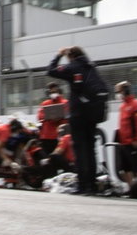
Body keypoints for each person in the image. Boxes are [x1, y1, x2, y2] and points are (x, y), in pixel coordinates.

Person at [46, 45, 109, 196]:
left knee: (79, 150)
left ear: (70, 56)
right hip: (92, 114)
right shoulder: (91, 66)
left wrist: (58, 55)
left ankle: (83, 186)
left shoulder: (72, 67)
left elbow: (50, 70)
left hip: (78, 114)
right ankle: (92, 186)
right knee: (91, 150)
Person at [113, 81, 137, 185]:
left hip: (132, 143)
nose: (118, 94)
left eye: (119, 91)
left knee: (136, 168)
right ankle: (131, 188)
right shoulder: (122, 106)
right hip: (123, 143)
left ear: (125, 91)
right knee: (125, 167)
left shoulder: (136, 104)